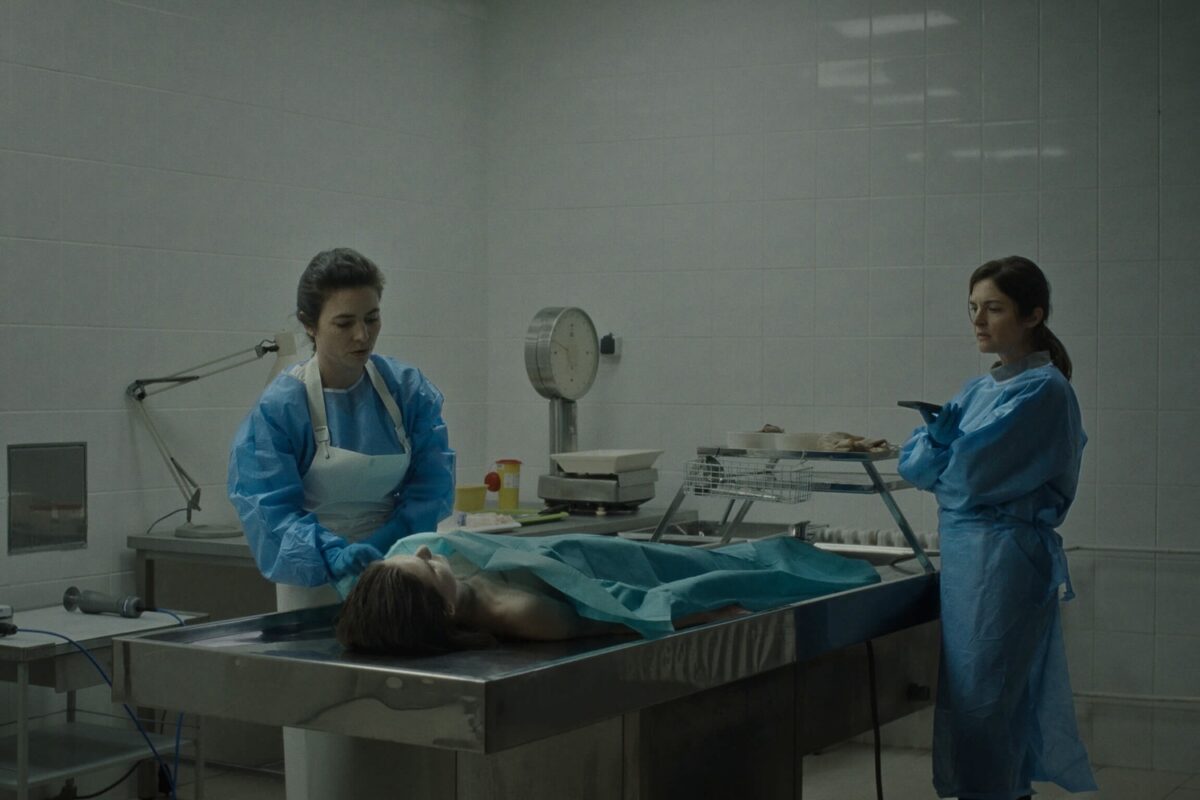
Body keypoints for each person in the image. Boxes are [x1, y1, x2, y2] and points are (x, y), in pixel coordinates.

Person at [227, 247, 455, 800]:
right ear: (310, 325)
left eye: (372, 318)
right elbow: (269, 510)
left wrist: (388, 545)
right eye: (344, 322)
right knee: (323, 729)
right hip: (311, 581)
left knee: (401, 722)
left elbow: (432, 482)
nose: (362, 336)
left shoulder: (404, 390)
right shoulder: (283, 408)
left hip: (398, 572)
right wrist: (332, 554)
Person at [897, 256, 1097, 800]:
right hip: (969, 561)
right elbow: (914, 468)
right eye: (973, 309)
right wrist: (940, 447)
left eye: (994, 308)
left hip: (1005, 562)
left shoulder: (1045, 392)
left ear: (1033, 314)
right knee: (972, 699)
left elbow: (966, 481)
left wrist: (943, 455)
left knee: (990, 702)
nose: (979, 321)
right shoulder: (977, 391)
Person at [335, 530, 883, 654]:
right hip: (637, 577)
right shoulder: (520, 613)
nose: (425, 552)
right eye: (425, 568)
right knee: (736, 570)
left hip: (604, 550)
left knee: (737, 554)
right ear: (444, 608)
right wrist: (699, 613)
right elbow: (617, 615)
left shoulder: (439, 560)